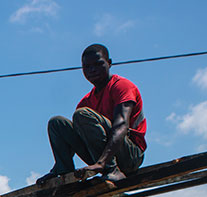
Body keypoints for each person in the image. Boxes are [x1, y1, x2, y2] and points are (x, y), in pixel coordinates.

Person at [43, 43, 147, 183]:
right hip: (100, 158)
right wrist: (56, 168)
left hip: (129, 156)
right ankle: (63, 172)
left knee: (82, 115)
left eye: (98, 64)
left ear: (109, 63)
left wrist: (103, 163)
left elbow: (121, 126)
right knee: (57, 123)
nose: (92, 70)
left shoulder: (121, 86)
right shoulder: (86, 101)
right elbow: (73, 139)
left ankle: (112, 170)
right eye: (87, 67)